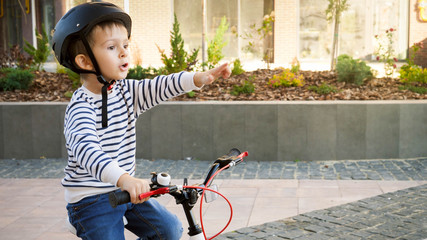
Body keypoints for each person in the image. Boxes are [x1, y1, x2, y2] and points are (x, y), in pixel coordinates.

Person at [52, 2, 231, 240]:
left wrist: (198, 78)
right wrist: (124, 178)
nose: (124, 52)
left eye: (125, 44)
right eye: (112, 47)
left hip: (128, 194)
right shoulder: (81, 107)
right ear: (85, 62)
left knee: (169, 230)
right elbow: (88, 152)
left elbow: (160, 86)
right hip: (90, 200)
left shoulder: (127, 92)